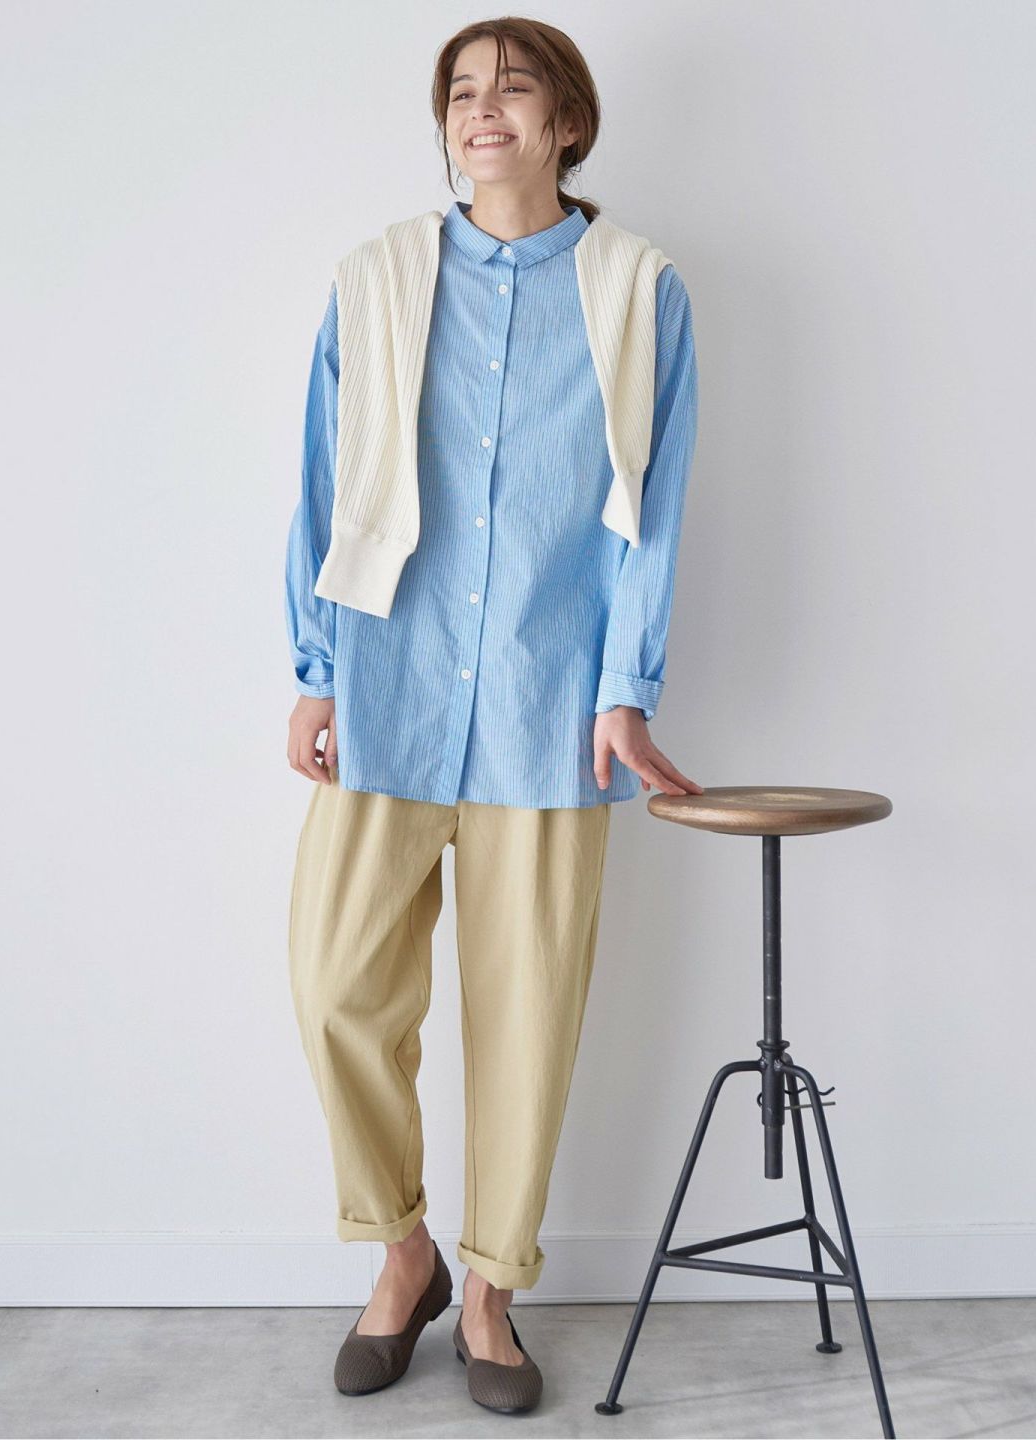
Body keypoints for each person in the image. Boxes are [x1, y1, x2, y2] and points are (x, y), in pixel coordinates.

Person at [284, 16, 702, 1415]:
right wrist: (315, 668)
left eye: (513, 90)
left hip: (548, 706)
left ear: (567, 121)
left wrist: (626, 686)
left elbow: (656, 506)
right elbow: (321, 479)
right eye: (461, 91)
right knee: (335, 985)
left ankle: (489, 1294)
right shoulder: (375, 281)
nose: (482, 111)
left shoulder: (641, 291)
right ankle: (400, 1251)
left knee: (527, 1017)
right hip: (387, 687)